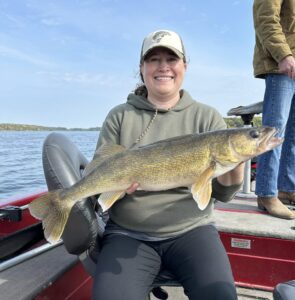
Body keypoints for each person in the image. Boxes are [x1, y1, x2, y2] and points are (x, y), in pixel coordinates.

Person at [91, 29, 244, 300]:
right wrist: (113, 189)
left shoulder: (207, 118)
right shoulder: (119, 116)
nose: (163, 67)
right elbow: (99, 176)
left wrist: (237, 164)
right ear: (142, 68)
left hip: (192, 230)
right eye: (153, 59)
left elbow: (221, 194)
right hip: (128, 233)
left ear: (184, 66)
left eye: (171, 59)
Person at [253, 0, 295, 219]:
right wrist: (284, 55)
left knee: (293, 134)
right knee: (273, 131)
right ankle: (266, 193)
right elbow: (266, 18)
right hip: (282, 65)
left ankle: (287, 189)